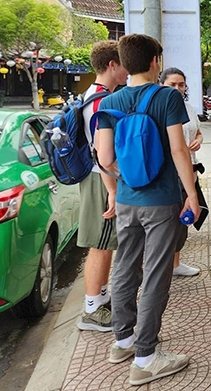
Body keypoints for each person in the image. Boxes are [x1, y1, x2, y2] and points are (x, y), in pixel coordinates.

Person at [95, 34, 199, 386]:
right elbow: (179, 151)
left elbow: (105, 158)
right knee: (156, 274)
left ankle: (122, 341)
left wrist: (124, 181)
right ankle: (146, 357)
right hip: (161, 201)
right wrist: (192, 194)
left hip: (126, 200)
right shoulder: (168, 96)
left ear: (124, 63)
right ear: (156, 61)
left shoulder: (112, 101)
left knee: (125, 267)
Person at [76, 41, 129, 332]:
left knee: (106, 243)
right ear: (112, 65)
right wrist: (112, 190)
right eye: (122, 63)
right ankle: (92, 309)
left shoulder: (94, 95)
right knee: (100, 243)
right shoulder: (100, 101)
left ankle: (100, 297)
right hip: (101, 179)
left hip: (98, 177)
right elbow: (102, 152)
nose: (125, 69)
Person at [160, 67, 204, 277]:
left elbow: (197, 132)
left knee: (183, 219)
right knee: (166, 221)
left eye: (181, 84)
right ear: (162, 85)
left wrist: (198, 140)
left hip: (190, 169)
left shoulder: (188, 108)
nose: (177, 88)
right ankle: (161, 266)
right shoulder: (159, 109)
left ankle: (176, 264)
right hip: (169, 172)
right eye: (172, 84)